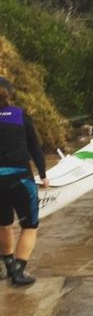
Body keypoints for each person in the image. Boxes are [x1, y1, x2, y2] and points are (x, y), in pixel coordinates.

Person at [0, 79, 49, 286]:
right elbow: (35, 148)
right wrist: (44, 174)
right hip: (21, 179)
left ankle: (9, 265)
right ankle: (18, 273)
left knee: (3, 224)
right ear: (11, 95)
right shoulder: (21, 116)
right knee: (29, 226)